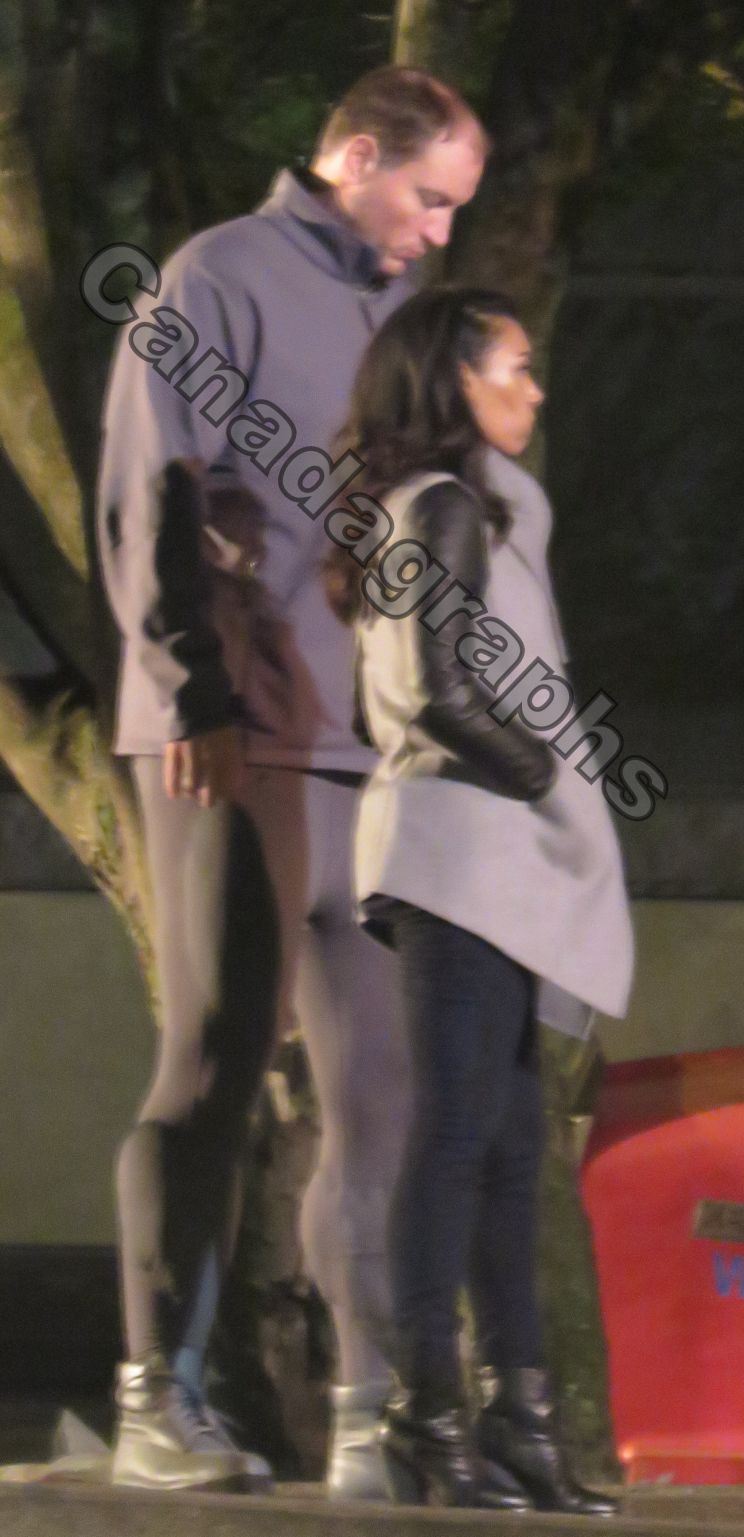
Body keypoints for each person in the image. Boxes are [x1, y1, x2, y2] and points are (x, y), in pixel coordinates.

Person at [96, 69, 487, 1495]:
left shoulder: (409, 315)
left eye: (457, 208)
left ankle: (373, 1419)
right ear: (356, 156)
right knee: (214, 1058)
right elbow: (153, 489)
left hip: (371, 752)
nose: (440, 231)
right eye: (428, 198)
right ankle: (156, 1400)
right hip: (233, 732)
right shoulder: (218, 276)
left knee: (380, 1091)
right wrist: (191, 688)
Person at [326, 285, 634, 1511]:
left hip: (484, 853)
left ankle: (519, 1418)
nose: (536, 387)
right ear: (456, 379)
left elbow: (401, 696)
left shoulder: (457, 509)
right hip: (461, 852)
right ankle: (428, 1411)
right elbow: (437, 693)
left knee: (508, 1146)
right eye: (515, 365)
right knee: (459, 1135)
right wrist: (549, 778)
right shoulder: (444, 506)